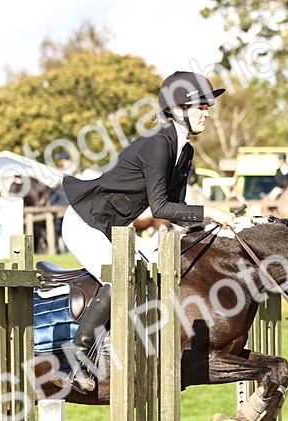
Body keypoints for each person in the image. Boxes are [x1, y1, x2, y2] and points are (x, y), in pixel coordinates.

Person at [59, 71, 237, 391]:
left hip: (113, 228)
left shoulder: (185, 151)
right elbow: (159, 209)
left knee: (154, 277)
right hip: (85, 222)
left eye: (208, 105)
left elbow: (179, 209)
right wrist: (211, 211)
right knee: (121, 278)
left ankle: (128, 353)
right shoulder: (157, 145)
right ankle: (76, 356)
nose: (208, 111)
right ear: (178, 109)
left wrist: (222, 228)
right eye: (201, 106)